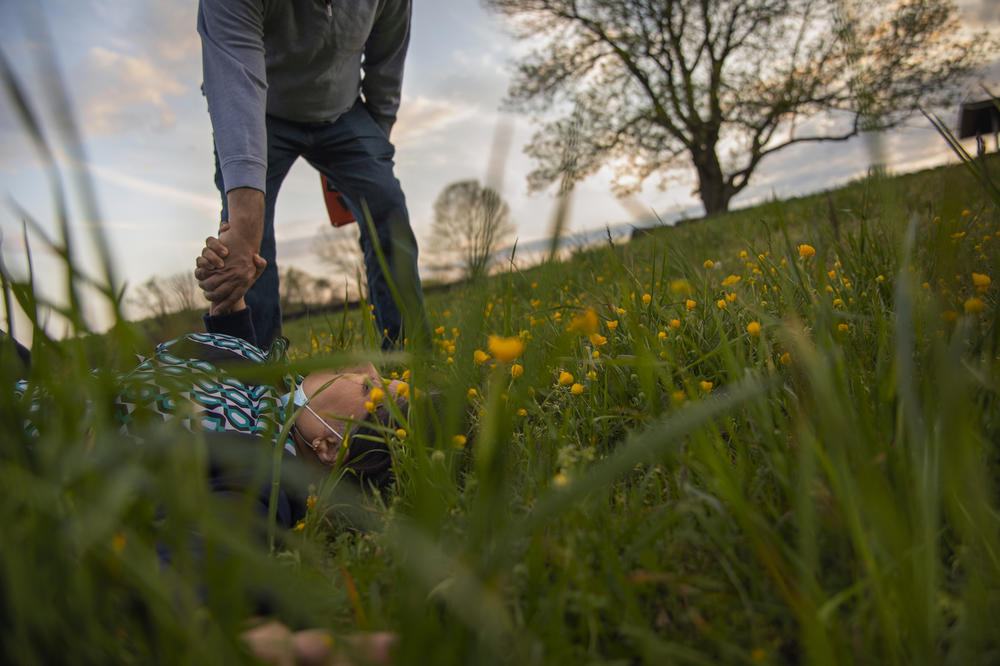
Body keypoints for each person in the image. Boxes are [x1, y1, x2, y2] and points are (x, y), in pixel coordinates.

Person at [194, 0, 429, 352]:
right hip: (262, 115)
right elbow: (234, 82)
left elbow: (386, 64)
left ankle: (409, 360)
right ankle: (255, 379)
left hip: (345, 113)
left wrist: (369, 159)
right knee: (246, 241)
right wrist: (244, 220)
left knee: (387, 205)